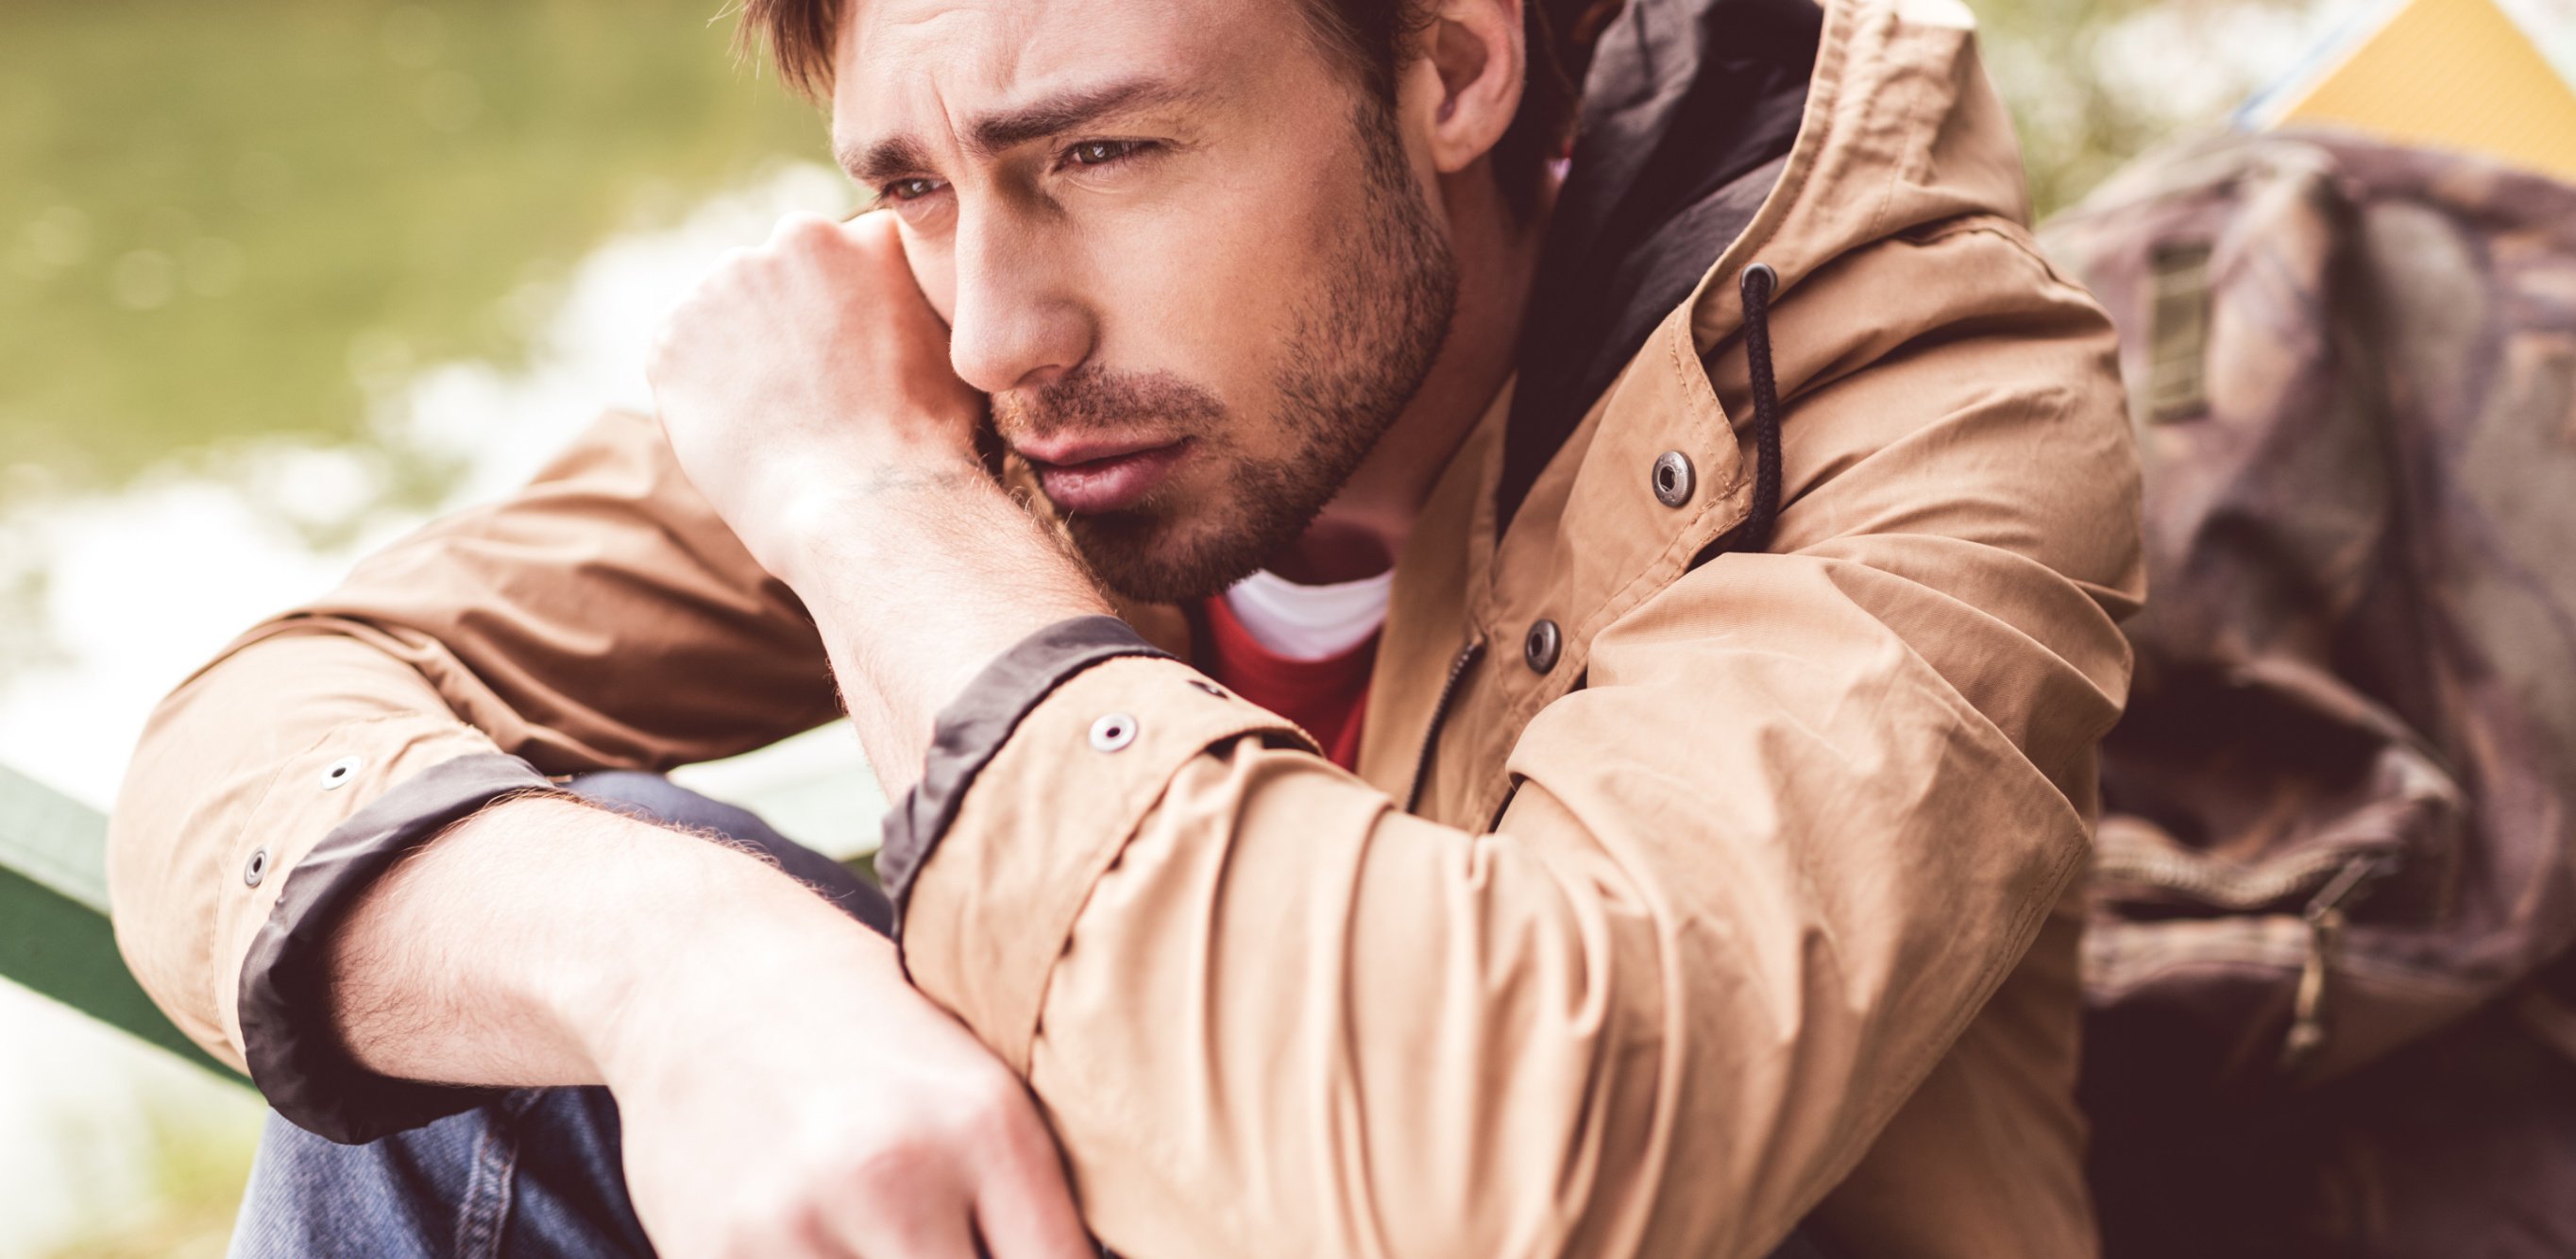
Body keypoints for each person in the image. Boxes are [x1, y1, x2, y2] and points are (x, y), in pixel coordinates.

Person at [106, 0, 2143, 1250]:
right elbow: (255, 735)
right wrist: (685, 972)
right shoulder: (990, 363)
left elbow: (1488, 1193)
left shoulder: (1923, 396)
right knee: (504, 1047)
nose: (1000, 328)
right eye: (913, 185)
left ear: (1447, 59)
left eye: (1099, 151)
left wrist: (883, 512)